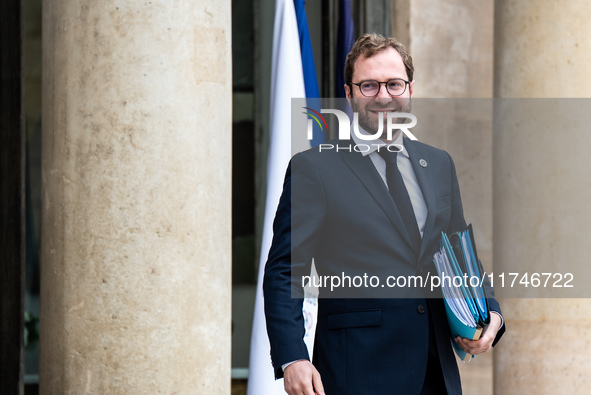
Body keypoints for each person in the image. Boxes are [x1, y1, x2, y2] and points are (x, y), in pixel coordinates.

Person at [263, 33, 505, 395]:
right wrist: (293, 357)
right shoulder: (314, 168)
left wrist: (491, 314)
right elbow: (285, 271)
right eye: (369, 85)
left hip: (435, 371)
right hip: (356, 371)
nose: (383, 96)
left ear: (410, 90)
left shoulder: (438, 163)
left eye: (394, 84)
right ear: (348, 93)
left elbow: (459, 255)